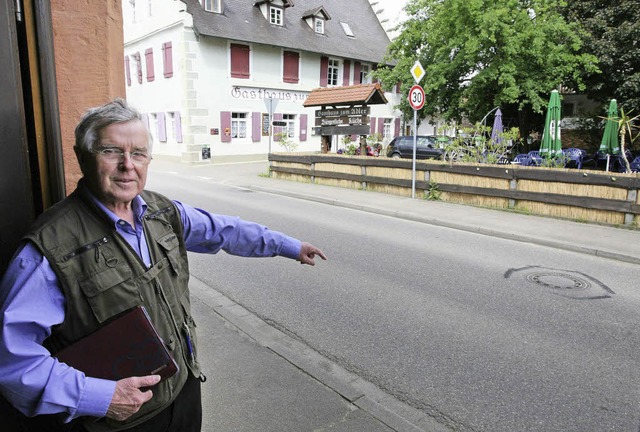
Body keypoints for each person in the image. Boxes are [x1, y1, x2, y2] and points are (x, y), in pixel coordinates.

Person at [0, 98, 327, 432]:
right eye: (111, 151)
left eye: (139, 153)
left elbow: (223, 230)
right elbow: (12, 362)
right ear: (83, 157)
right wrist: (102, 396)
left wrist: (287, 245)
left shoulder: (161, 212)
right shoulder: (48, 250)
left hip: (183, 390)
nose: (128, 165)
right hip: (121, 419)